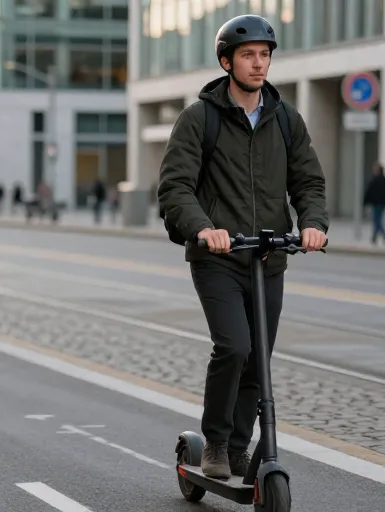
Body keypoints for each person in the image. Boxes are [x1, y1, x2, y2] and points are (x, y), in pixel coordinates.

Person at [157, 14, 328, 480]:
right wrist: (202, 228)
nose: (258, 64)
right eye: (248, 55)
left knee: (259, 358)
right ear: (227, 61)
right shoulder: (200, 119)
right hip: (218, 258)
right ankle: (214, 441)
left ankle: (238, 445)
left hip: (268, 257)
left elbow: (308, 182)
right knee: (233, 346)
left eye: (265, 55)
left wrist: (312, 222)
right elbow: (175, 188)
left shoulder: (286, 119)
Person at [363, 162, 385, 245]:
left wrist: (365, 202)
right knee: (377, 219)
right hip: (382, 203)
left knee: (377, 220)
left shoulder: (375, 180)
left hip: (376, 203)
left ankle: (384, 235)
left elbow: (369, 192)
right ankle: (374, 238)